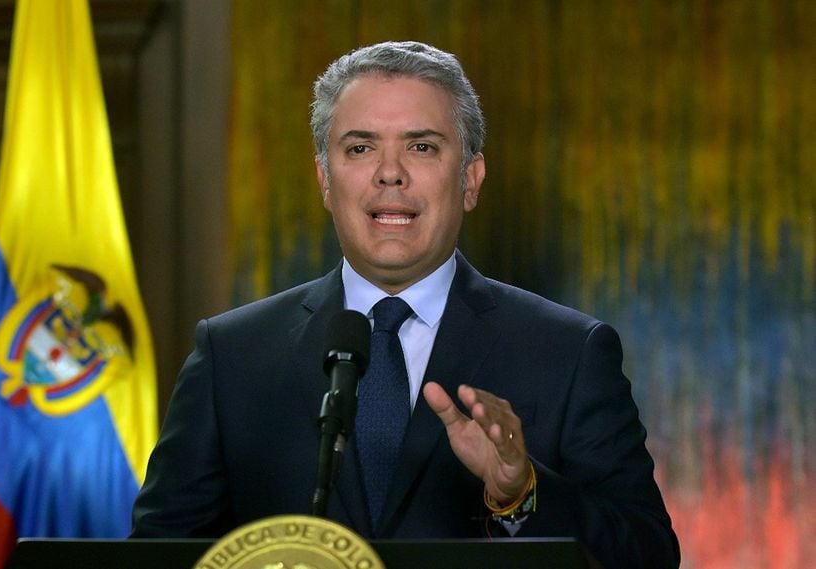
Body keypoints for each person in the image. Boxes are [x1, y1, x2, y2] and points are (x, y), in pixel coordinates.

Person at [131, 41, 680, 568]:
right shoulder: (232, 355)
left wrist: (522, 493)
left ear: (470, 180)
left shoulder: (568, 352)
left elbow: (647, 555)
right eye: (360, 147)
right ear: (325, 180)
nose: (389, 172)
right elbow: (157, 555)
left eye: (421, 147)